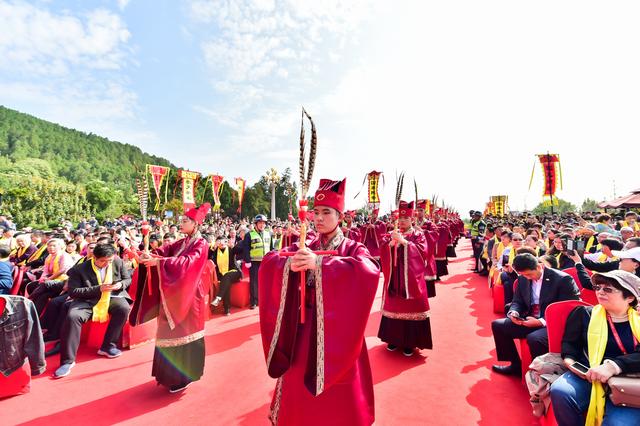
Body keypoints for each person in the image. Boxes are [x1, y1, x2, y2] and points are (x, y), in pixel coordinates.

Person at [259, 178, 380, 425]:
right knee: (297, 389)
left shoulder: (352, 247)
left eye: (327, 212)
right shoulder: (306, 244)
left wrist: (321, 264)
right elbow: (272, 259)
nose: (319, 218)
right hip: (302, 332)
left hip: (339, 336)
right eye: (316, 212)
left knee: (339, 393)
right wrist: (288, 265)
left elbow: (368, 270)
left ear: (341, 216)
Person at [137, 203, 211, 393]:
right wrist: (151, 254)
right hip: (175, 295)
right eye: (181, 220)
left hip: (190, 296)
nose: (181, 223)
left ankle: (183, 376)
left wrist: (159, 263)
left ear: (196, 224)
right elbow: (167, 250)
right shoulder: (185, 241)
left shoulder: (200, 243)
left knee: (183, 334)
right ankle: (167, 374)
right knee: (168, 333)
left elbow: (187, 264)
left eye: (185, 220)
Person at [550, 270, 640, 425]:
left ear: (630, 297)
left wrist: (614, 366)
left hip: (628, 380)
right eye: (598, 287)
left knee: (618, 424)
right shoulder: (584, 313)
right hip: (589, 375)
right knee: (560, 391)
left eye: (608, 289)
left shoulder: (638, 320)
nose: (600, 292)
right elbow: (570, 345)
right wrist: (571, 363)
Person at [491, 253, 580, 376]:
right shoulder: (522, 278)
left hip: (553, 323)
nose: (527, 278)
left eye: (529, 274)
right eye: (523, 275)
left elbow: (568, 310)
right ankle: (515, 365)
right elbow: (517, 301)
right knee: (498, 325)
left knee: (535, 338)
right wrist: (514, 312)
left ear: (539, 266)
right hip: (530, 318)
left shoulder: (563, 279)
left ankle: (541, 374)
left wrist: (541, 322)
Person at [53, 243, 132, 378]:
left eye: (110, 261)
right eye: (103, 261)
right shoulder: (78, 269)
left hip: (112, 296)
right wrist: (98, 288)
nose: (107, 264)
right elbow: (74, 292)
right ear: (94, 257)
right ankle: (67, 360)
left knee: (123, 308)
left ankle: (108, 346)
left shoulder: (117, 261)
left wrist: (121, 284)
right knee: (73, 316)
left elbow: (127, 278)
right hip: (87, 300)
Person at [377, 201, 432, 356]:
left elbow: (423, 253)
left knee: (411, 305)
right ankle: (393, 339)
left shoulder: (417, 234)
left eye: (405, 219)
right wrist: (390, 243)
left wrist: (405, 243)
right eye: (400, 219)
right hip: (395, 278)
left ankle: (410, 342)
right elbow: (382, 247)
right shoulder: (392, 233)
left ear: (411, 219)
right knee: (394, 306)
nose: (402, 222)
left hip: (411, 280)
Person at [243, 214, 271, 309]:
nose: (262, 225)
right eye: (260, 223)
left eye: (263, 223)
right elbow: (245, 249)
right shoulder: (249, 234)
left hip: (266, 262)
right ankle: (254, 302)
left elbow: (270, 248)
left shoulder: (268, 233)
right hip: (254, 262)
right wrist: (247, 260)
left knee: (265, 282)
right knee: (254, 282)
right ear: (255, 224)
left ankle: (264, 300)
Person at [210, 236, 242, 316]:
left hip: (235, 272)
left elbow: (240, 251)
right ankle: (226, 308)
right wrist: (212, 248)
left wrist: (234, 246)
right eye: (219, 241)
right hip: (222, 275)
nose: (222, 243)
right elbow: (207, 256)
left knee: (226, 277)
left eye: (224, 241)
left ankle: (219, 298)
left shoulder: (231, 248)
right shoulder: (215, 251)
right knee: (225, 281)